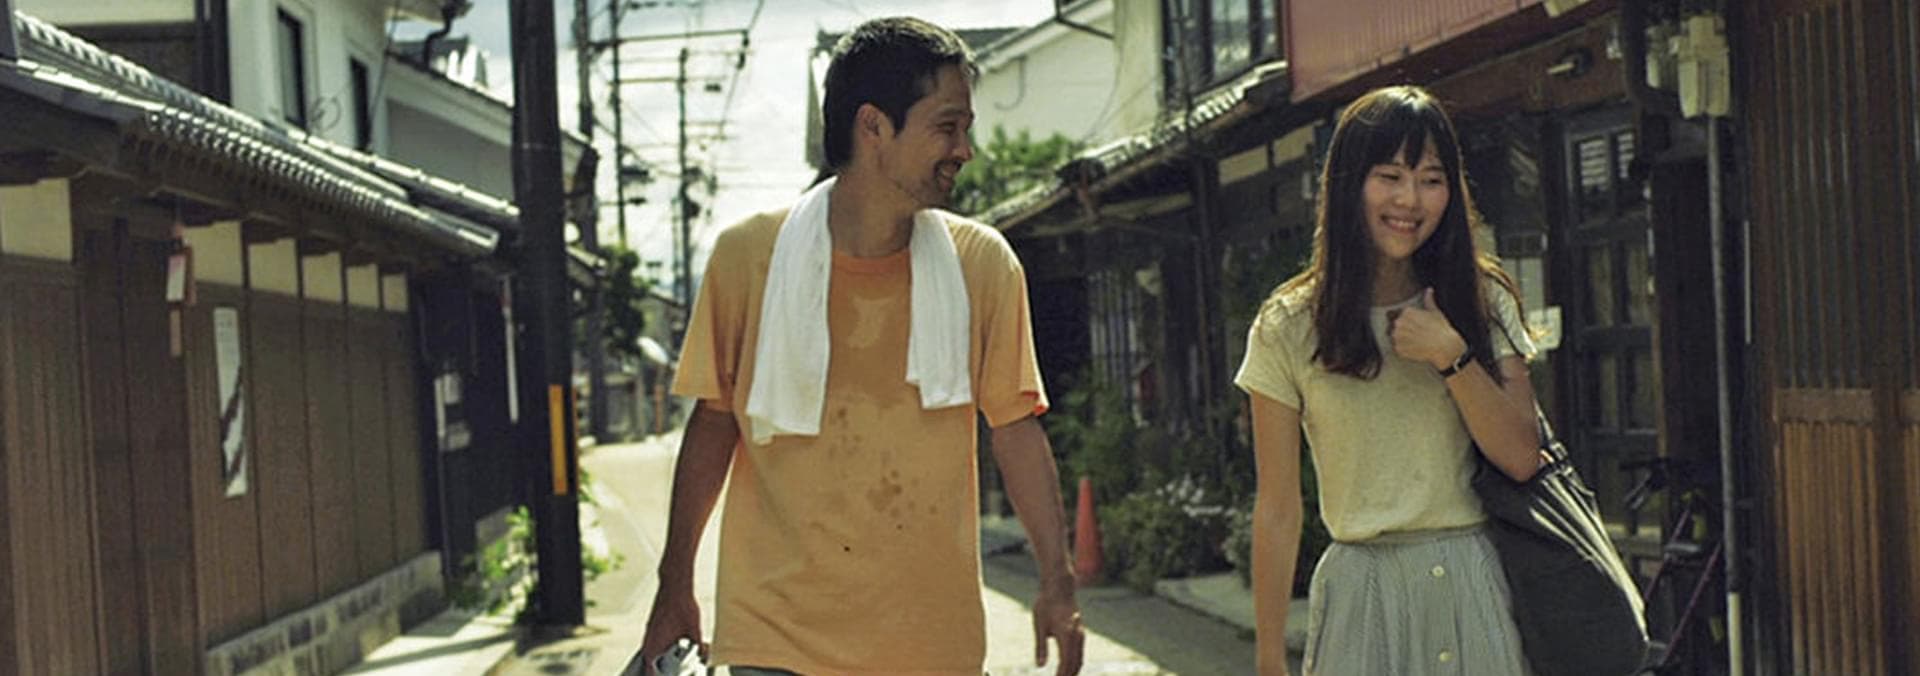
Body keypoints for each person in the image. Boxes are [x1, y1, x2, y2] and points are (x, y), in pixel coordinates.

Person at [636, 16, 1085, 676]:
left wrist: (1058, 581)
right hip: (775, 639)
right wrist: (674, 584)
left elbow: (1015, 428)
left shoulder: (981, 265)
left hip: (931, 646)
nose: (965, 150)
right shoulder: (747, 258)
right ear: (873, 126)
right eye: (947, 127)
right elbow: (714, 423)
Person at [1235, 85, 1545, 676]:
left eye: (1431, 179)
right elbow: (1277, 506)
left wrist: (1451, 356)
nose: (1410, 199)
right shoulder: (1288, 323)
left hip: (1472, 583)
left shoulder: (1484, 299)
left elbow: (1521, 456)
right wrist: (1269, 656)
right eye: (1390, 176)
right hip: (1361, 593)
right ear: (1349, 183)